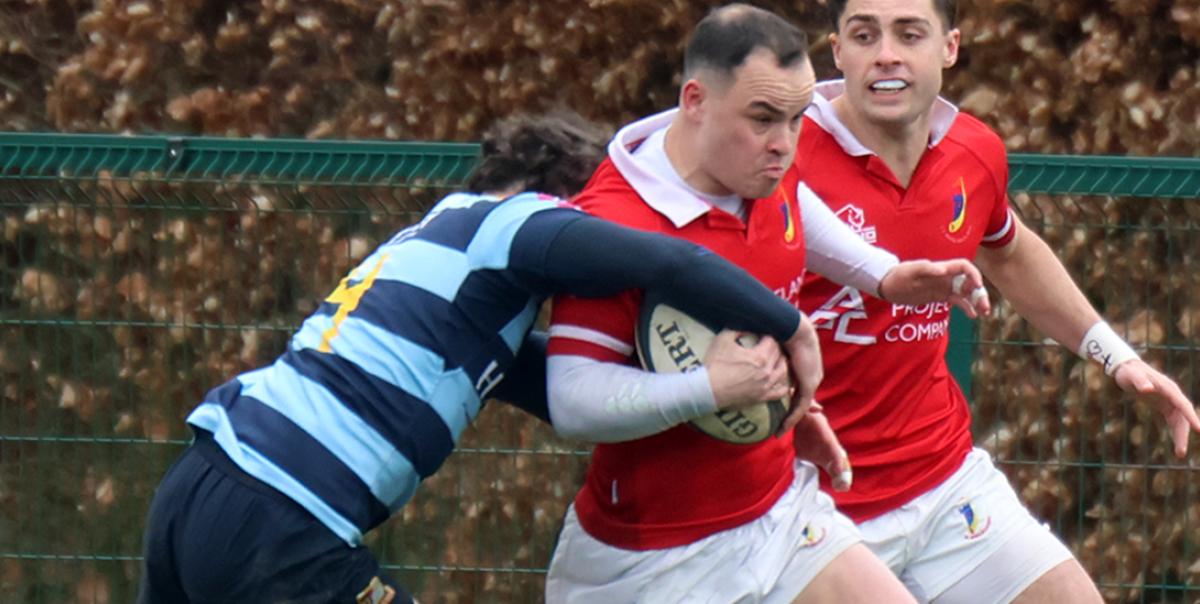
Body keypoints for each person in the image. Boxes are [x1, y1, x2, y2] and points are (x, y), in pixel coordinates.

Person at [136, 110, 847, 604]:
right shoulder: (514, 223)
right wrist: (786, 325)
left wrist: (757, 411)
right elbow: (673, 260)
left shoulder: (452, 267)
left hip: (202, 484)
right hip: (284, 520)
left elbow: (585, 394)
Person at [795, 0, 1200, 604]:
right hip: (811, 502)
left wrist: (1114, 355)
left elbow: (1008, 249)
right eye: (863, 36)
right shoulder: (780, 158)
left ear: (950, 47)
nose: (886, 56)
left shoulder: (973, 153)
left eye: (909, 33)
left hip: (943, 481)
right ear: (836, 51)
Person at [543, 4, 991, 603]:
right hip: (654, 559)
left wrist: (884, 275)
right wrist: (710, 388)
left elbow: (795, 206)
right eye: (762, 120)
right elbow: (570, 396)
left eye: (797, 119)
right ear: (696, 101)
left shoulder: (759, 167)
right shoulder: (614, 222)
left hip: (782, 513)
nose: (784, 145)